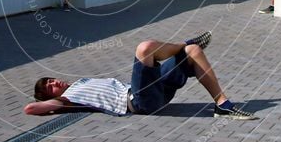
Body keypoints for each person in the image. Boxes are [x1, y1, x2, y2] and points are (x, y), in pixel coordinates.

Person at [23, 32, 256, 119]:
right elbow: (29, 109)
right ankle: (184, 42)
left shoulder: (79, 83)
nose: (55, 82)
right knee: (145, 48)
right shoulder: (68, 100)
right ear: (49, 96)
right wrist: (51, 105)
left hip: (153, 91)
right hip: (140, 102)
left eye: (52, 79)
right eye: (50, 86)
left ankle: (223, 105)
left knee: (192, 53)